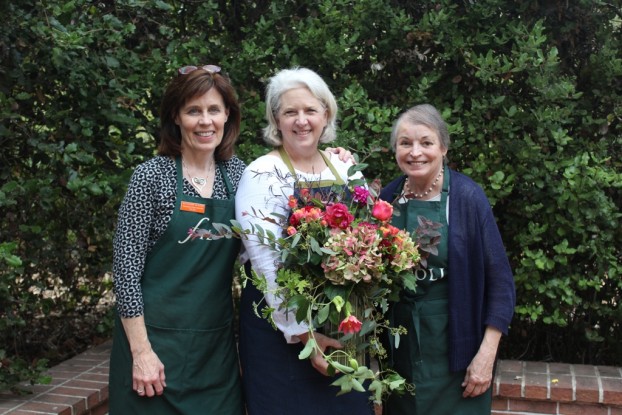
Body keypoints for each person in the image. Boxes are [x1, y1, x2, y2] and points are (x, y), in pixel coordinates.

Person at [108, 64, 246, 414]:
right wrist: (141, 353)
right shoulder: (150, 177)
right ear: (176, 117)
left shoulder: (241, 175)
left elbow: (279, 226)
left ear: (227, 115)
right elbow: (126, 272)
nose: (205, 121)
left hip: (215, 352)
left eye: (214, 110)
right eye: (193, 111)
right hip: (153, 349)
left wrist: (330, 157)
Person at [235, 67, 374, 415]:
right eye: (290, 112)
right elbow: (266, 264)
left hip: (342, 323)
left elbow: (365, 239)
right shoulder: (261, 174)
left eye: (310, 110)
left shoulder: (342, 168)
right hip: (281, 330)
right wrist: (306, 338)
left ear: (326, 115)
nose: (301, 121)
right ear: (275, 120)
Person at [379, 104, 516, 414]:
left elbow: (501, 284)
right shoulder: (387, 198)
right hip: (401, 352)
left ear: (443, 146)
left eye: (426, 142)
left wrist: (485, 357)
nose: (415, 152)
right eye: (405, 143)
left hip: (457, 351)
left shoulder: (468, 198)